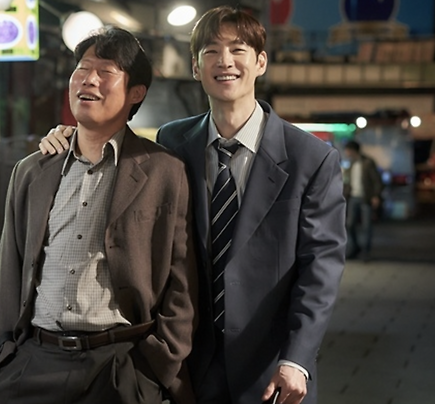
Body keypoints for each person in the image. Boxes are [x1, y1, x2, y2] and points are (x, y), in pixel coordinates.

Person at [39, 7, 346, 404]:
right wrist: (71, 136)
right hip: (188, 362)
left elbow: (321, 267)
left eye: (238, 49)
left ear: (261, 62)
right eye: (211, 51)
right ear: (196, 68)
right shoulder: (173, 141)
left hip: (271, 365)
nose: (225, 61)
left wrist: (297, 358)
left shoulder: (310, 157)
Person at [0, 26, 198, 404]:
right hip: (34, 363)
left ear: (136, 93)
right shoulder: (32, 170)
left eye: (105, 72)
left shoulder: (164, 171)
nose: (88, 80)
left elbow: (182, 279)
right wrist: (0, 355)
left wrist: (158, 365)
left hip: (120, 366)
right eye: (82, 68)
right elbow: (9, 269)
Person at [342, 140, 383, 262]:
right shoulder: (351, 164)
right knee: (350, 224)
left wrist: (376, 195)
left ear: (353, 150)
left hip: (366, 198)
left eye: (348, 150)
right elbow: (348, 181)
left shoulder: (367, 163)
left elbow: (376, 180)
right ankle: (355, 248)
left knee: (367, 225)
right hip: (353, 197)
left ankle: (366, 251)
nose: (346, 153)